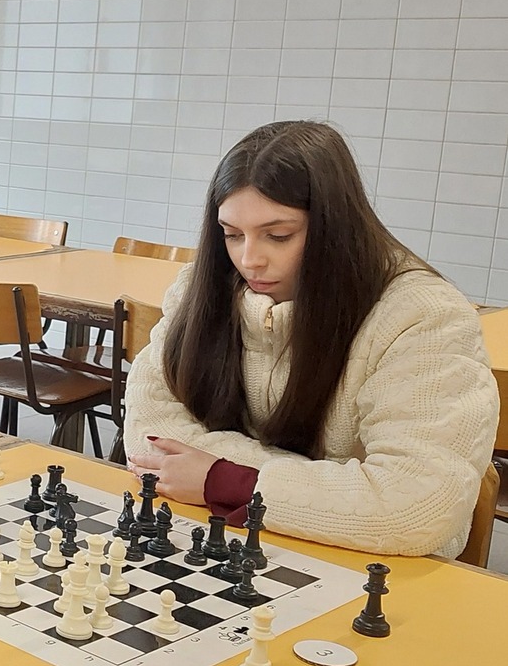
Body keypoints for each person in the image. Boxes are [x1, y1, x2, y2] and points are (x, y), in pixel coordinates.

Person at [125, 121, 499, 559]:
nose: (249, 259)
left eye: (278, 235)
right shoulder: (200, 287)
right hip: (231, 538)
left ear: (334, 227)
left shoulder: (423, 315)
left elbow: (417, 507)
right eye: (231, 234)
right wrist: (325, 491)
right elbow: (150, 440)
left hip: (375, 567)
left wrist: (222, 479)